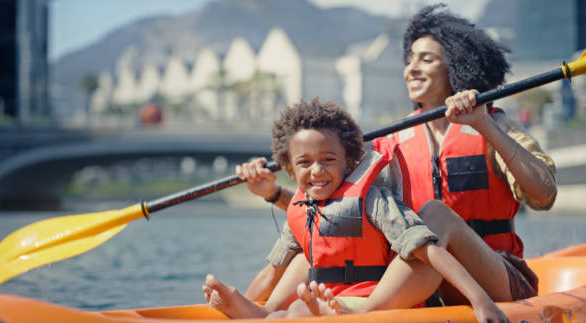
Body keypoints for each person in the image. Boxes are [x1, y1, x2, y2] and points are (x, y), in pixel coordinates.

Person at [237, 3, 556, 314]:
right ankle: (253, 311)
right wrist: (274, 193)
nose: (411, 69)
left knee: (434, 214)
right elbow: (341, 210)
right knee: (315, 245)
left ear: (457, 66)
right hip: (426, 283)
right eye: (409, 59)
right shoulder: (389, 145)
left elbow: (544, 195)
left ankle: (363, 312)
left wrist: (482, 123)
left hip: (498, 278)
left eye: (426, 59)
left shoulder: (495, 126)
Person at [203, 98, 508, 322]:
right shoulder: (302, 210)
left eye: (329, 159)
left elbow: (428, 250)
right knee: (294, 281)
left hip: (381, 297)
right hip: (335, 296)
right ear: (290, 171)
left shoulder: (374, 200)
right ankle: (259, 313)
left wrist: (480, 299)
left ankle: (341, 312)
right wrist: (241, 299)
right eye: (305, 163)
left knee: (299, 310)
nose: (318, 170)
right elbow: (273, 270)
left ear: (349, 162)